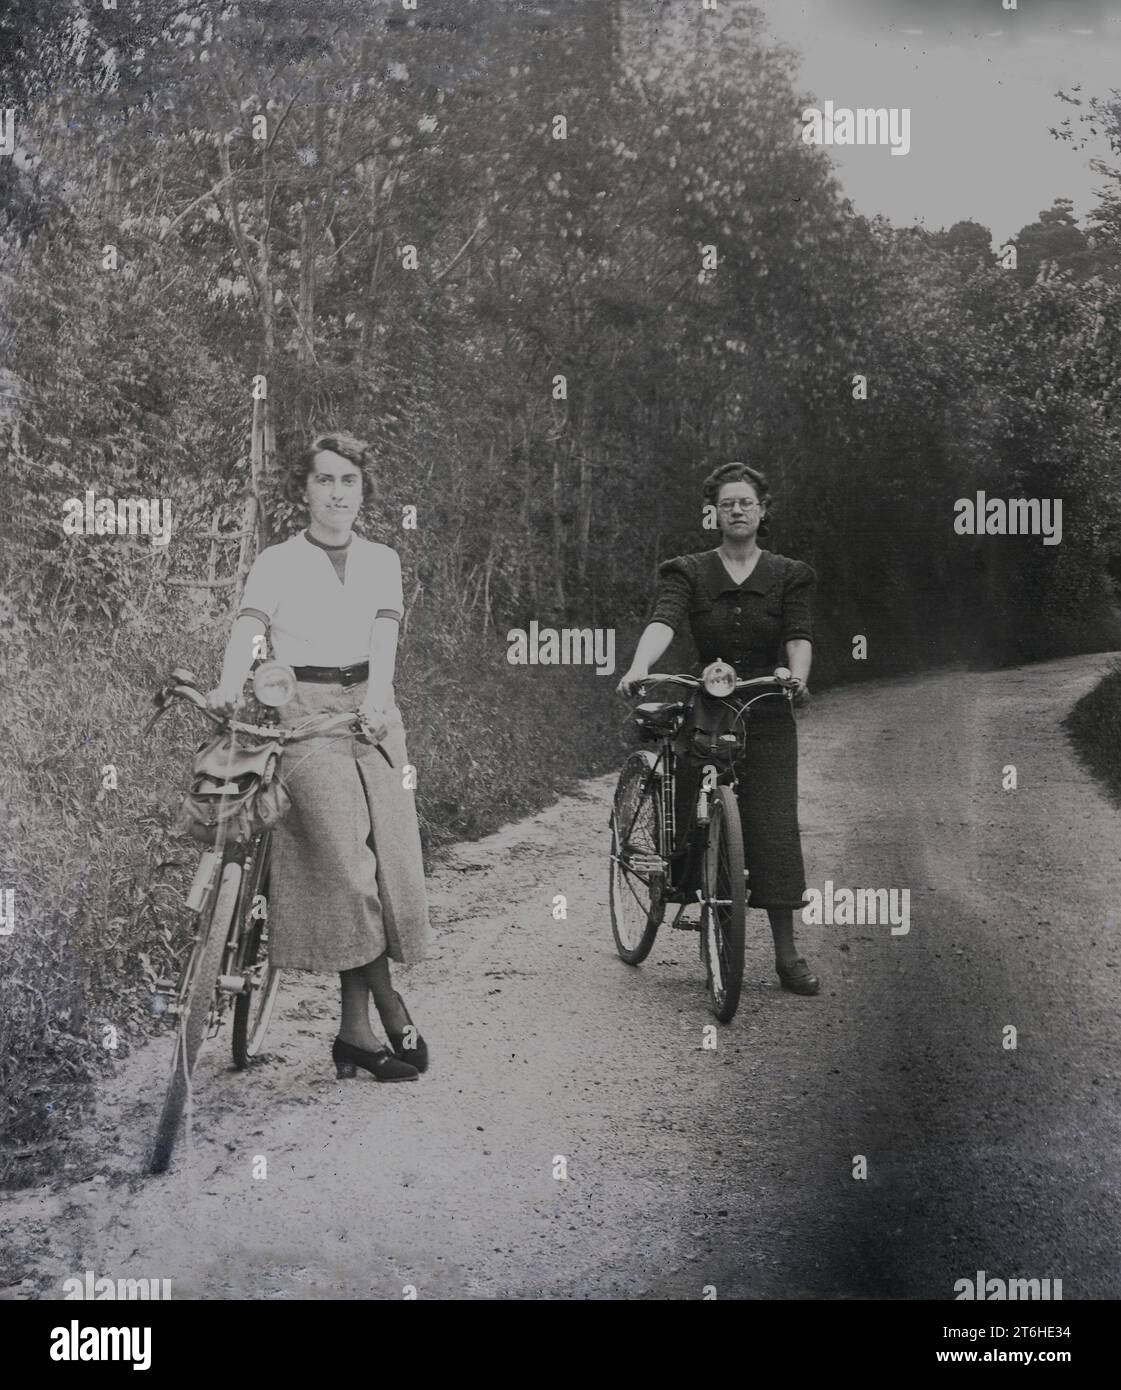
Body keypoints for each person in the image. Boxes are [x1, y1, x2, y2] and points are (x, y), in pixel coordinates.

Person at [207, 432, 432, 1078]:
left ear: (362, 491)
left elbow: (383, 638)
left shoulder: (381, 559)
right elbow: (249, 629)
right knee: (347, 872)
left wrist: (380, 701)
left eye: (348, 482)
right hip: (302, 713)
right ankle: (389, 1009)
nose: (337, 493)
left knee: (382, 868)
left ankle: (352, 1032)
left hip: (372, 713)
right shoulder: (277, 561)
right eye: (325, 480)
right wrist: (230, 683)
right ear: (302, 489)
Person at [616, 461, 820, 995]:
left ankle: (786, 956)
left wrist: (796, 679)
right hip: (707, 705)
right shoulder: (687, 571)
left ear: (762, 510)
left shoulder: (787, 573)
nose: (736, 510)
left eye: (745, 502)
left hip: (767, 708)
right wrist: (640, 666)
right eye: (727, 503)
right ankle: (691, 892)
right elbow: (664, 620)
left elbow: (799, 635)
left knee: (773, 828)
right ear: (714, 512)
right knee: (692, 812)